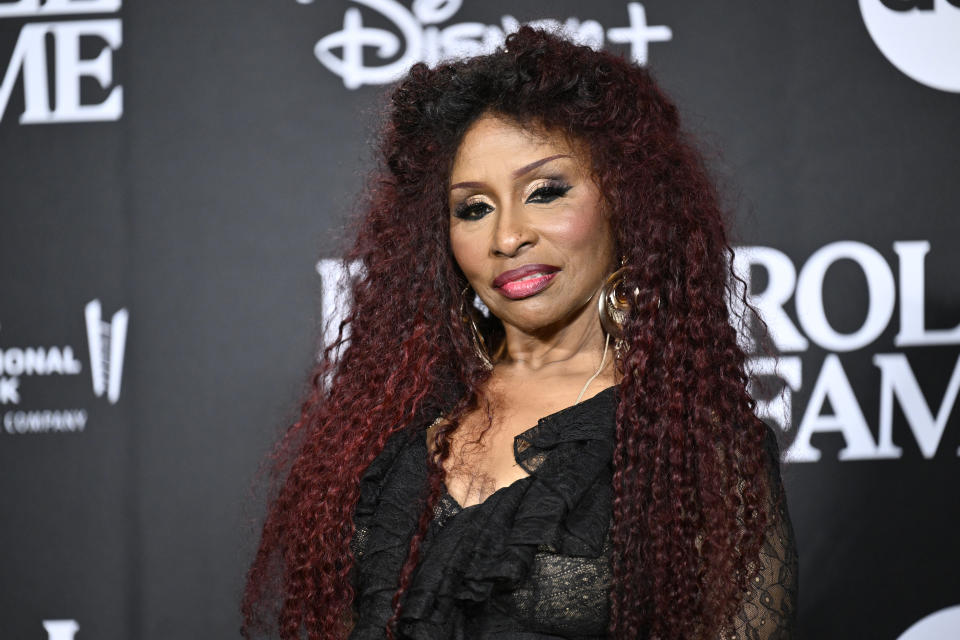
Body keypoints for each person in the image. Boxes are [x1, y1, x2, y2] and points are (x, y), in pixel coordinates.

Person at [243, 26, 798, 640]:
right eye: (473, 208)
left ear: (625, 203)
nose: (507, 237)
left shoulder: (690, 446)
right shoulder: (388, 427)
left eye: (545, 192)